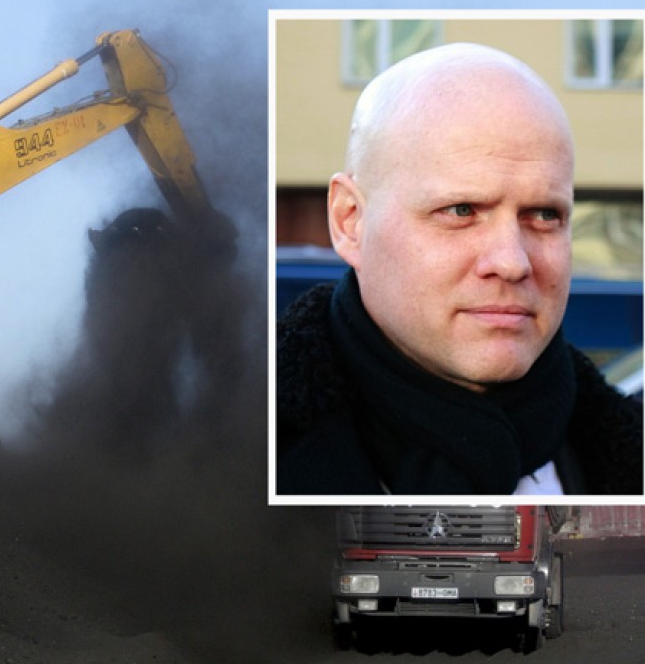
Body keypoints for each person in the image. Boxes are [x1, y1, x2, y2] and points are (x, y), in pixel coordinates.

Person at [276, 42, 643, 495]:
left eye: (545, 215)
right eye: (461, 210)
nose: (511, 262)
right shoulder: (223, 452)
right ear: (350, 220)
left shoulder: (624, 453)